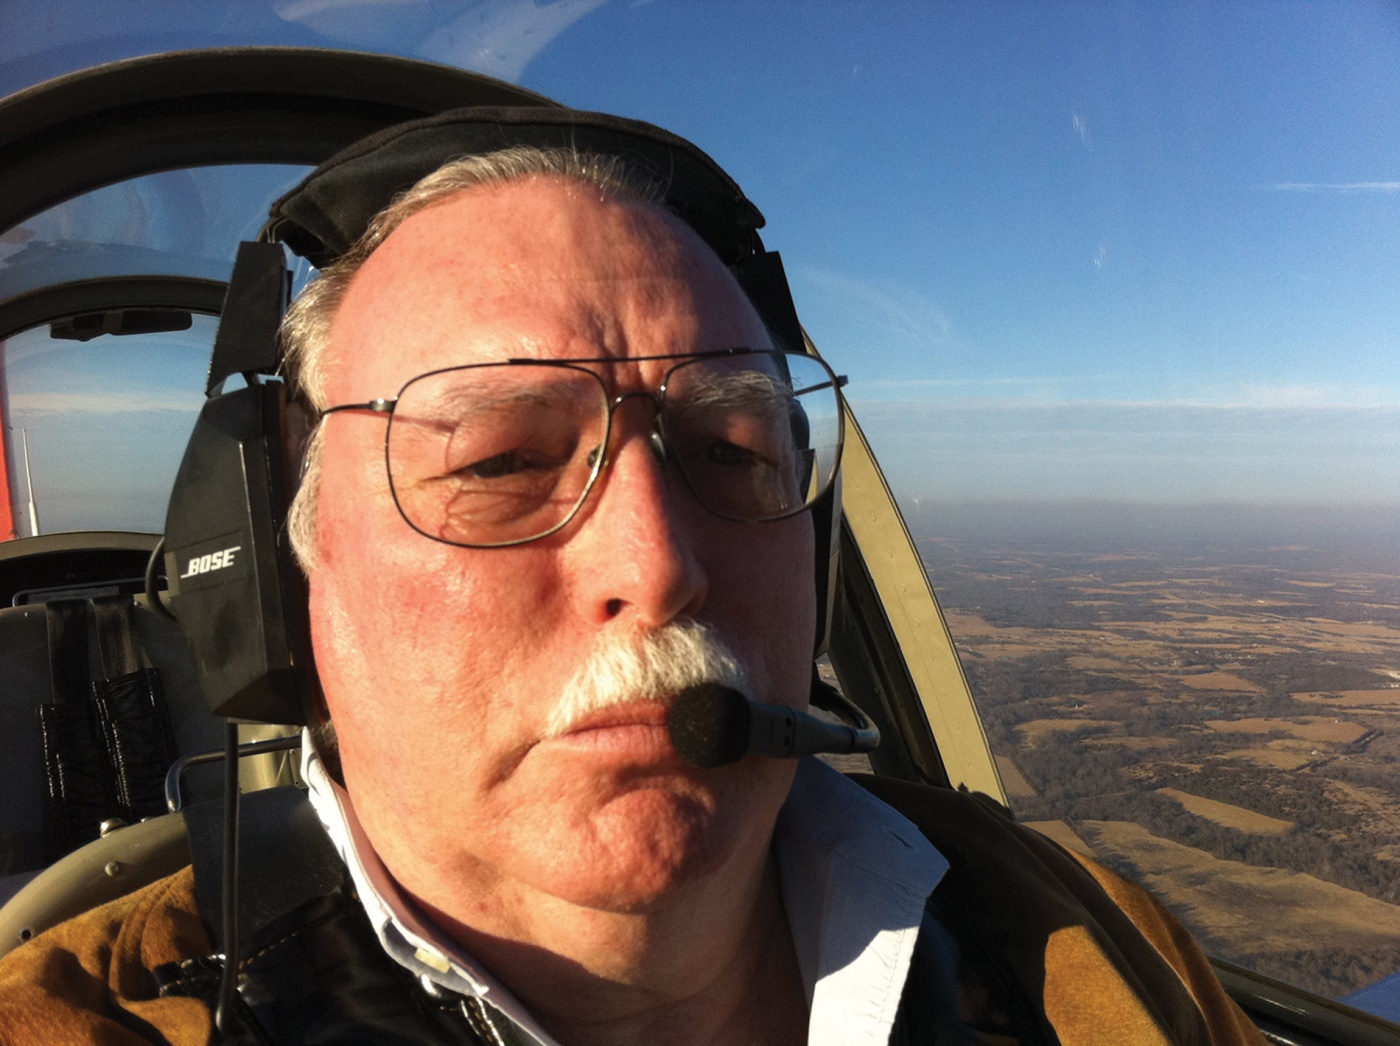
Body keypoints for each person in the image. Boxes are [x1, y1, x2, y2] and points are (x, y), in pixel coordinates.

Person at [0, 122, 1265, 1046]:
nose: (657, 562)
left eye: (730, 448)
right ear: (285, 571)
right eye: (496, 456)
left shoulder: (1086, 947)